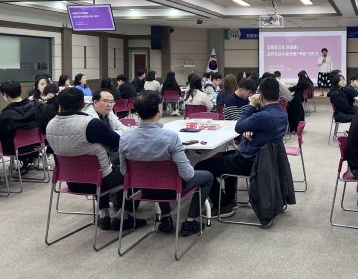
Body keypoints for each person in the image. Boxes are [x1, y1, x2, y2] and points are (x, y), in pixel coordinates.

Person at [46, 88, 146, 231]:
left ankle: (104, 215)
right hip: (100, 182)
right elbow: (119, 143)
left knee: (98, 168)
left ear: (60, 105)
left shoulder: (50, 125)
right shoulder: (91, 123)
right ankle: (123, 216)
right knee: (132, 170)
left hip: (72, 182)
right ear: (84, 104)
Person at [119, 91, 214, 236]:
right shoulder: (170, 137)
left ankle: (166, 217)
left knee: (157, 175)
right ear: (159, 108)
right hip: (170, 189)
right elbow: (187, 175)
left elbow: (124, 172)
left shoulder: (125, 138)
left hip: (144, 189)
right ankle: (190, 221)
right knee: (207, 176)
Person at [195, 77, 288, 216]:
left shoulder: (263, 116)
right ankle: (230, 199)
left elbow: (238, 127)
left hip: (250, 162)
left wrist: (251, 105)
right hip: (264, 161)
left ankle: (223, 205)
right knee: (227, 156)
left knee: (201, 166)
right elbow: (260, 126)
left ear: (261, 95)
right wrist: (252, 128)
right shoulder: (281, 113)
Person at [0, 81, 49, 171]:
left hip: (14, 149)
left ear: (4, 94)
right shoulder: (38, 106)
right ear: (20, 91)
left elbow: (3, 135)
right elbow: (45, 126)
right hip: (36, 145)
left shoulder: (6, 115)